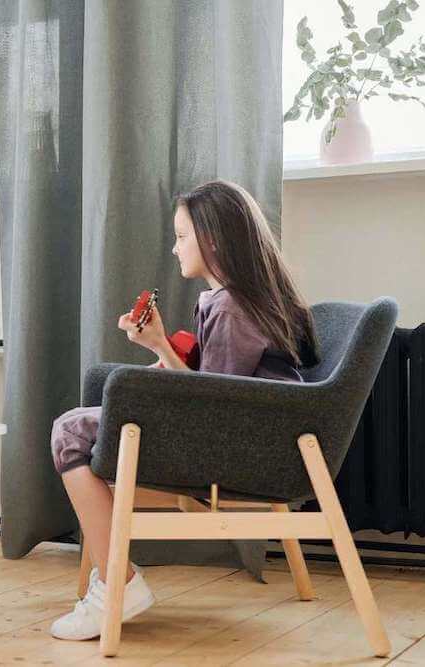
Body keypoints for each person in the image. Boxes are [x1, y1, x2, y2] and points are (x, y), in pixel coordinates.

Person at [48, 180, 319, 640]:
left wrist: (159, 355)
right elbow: (210, 387)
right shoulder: (227, 300)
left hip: (243, 445)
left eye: (181, 236)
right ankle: (113, 578)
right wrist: (159, 349)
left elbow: (212, 402)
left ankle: (120, 583)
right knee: (80, 429)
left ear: (212, 240)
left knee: (70, 431)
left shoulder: (234, 308)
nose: (174, 249)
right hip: (240, 430)